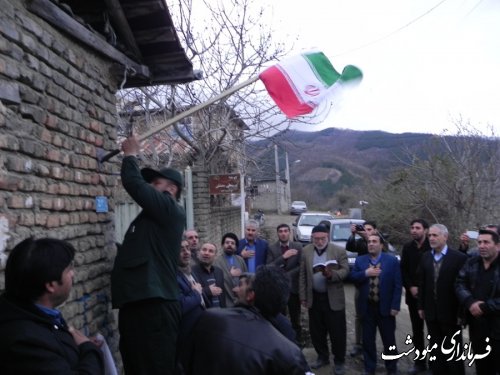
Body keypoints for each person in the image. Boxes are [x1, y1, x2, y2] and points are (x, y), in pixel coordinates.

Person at [111, 135, 186, 375]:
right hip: (141, 305)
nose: (151, 187)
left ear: (171, 190)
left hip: (155, 308)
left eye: (156, 183)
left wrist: (130, 155)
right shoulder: (151, 220)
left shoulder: (169, 208)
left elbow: (134, 183)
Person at [0, 237, 104, 374]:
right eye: (69, 270)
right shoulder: (24, 342)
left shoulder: (34, 314)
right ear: (51, 285)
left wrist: (75, 346)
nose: (73, 274)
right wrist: (89, 349)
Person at [185, 265, 310, 374]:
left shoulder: (209, 318)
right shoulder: (290, 353)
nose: (235, 290)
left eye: (240, 285)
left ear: (251, 295)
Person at [299, 224, 349, 375]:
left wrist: (331, 275)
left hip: (333, 297)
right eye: (316, 239)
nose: (320, 242)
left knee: (337, 331)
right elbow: (303, 275)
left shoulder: (338, 250)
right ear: (312, 238)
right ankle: (322, 356)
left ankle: (339, 361)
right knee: (317, 330)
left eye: (322, 238)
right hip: (314, 297)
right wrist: (303, 297)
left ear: (327, 237)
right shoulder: (306, 251)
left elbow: (346, 271)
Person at [418, 223, 467, 375]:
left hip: (451, 315)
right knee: (436, 350)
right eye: (430, 235)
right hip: (431, 314)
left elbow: (463, 287)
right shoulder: (425, 257)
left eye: (435, 235)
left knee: (453, 353)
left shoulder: (459, 258)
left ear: (445, 237)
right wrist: (421, 306)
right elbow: (422, 283)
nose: (431, 238)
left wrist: (462, 313)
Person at [350, 233, 402, 375]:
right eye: (369, 242)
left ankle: (392, 369)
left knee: (389, 341)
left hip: (385, 308)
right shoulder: (360, 261)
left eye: (374, 241)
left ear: (381, 245)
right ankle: (369, 368)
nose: (371, 244)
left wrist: (395, 306)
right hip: (367, 308)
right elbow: (352, 277)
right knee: (368, 341)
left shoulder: (391, 261)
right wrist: (366, 273)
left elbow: (398, 285)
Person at [455, 229, 500, 375]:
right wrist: (469, 302)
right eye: (479, 242)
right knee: (481, 365)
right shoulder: (472, 262)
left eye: (486, 242)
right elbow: (459, 283)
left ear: (498, 246)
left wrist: (485, 307)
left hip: (497, 327)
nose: (481, 245)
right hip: (476, 325)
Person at [400, 218, 431, 375]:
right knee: (417, 331)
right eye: (412, 227)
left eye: (417, 227)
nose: (414, 230)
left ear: (425, 230)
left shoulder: (432, 246)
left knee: (434, 331)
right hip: (413, 296)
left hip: (431, 296)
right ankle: (420, 363)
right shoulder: (407, 248)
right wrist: (410, 286)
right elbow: (403, 270)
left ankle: (434, 363)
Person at [346, 220, 378, 358]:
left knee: (378, 317)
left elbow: (384, 250)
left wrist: (367, 237)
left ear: (375, 231)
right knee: (359, 316)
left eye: (370, 229)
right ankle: (358, 344)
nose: (367, 231)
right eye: (365, 229)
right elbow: (350, 247)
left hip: (377, 285)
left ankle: (371, 345)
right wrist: (353, 235)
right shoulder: (360, 243)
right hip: (362, 283)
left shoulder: (379, 241)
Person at [267, 223, 303, 343]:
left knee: (295, 316)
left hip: (293, 288)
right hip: (278, 289)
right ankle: (281, 341)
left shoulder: (298, 246)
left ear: (289, 232)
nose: (283, 233)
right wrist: (283, 257)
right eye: (280, 231)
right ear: (278, 233)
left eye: (285, 231)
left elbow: (300, 265)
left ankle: (297, 340)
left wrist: (286, 275)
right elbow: (269, 266)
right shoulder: (272, 248)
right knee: (280, 316)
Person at [176, 240, 205, 374]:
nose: (186, 252)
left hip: (196, 336)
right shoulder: (173, 276)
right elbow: (179, 306)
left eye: (187, 248)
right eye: (182, 249)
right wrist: (196, 293)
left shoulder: (188, 270)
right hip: (184, 337)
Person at [213, 233, 247, 307]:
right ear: (222, 245)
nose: (229, 245)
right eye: (227, 243)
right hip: (226, 301)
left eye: (232, 243)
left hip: (241, 301)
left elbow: (246, 277)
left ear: (236, 247)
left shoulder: (240, 260)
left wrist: (241, 288)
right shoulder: (216, 262)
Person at [192, 243, 226, 308]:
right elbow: (190, 294)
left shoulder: (219, 271)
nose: (206, 253)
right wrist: (208, 291)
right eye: (204, 250)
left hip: (220, 314)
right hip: (204, 315)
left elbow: (222, 295)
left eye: (211, 251)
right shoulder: (192, 272)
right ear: (199, 253)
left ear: (215, 256)